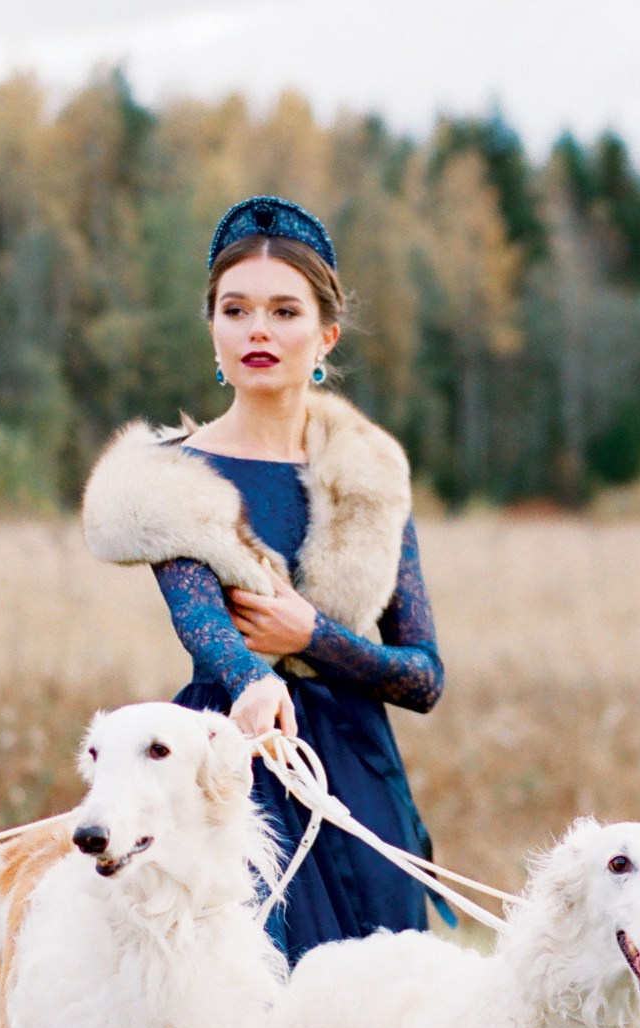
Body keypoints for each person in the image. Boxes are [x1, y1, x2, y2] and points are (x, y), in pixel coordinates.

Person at [82, 194, 444, 963]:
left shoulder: (369, 477)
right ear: (211, 328)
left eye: (284, 312)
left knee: (380, 1012)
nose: (258, 331)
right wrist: (253, 676)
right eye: (236, 309)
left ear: (325, 335)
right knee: (245, 993)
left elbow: (423, 676)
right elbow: (201, 621)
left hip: (357, 775)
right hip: (224, 768)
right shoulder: (173, 479)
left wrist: (317, 638)